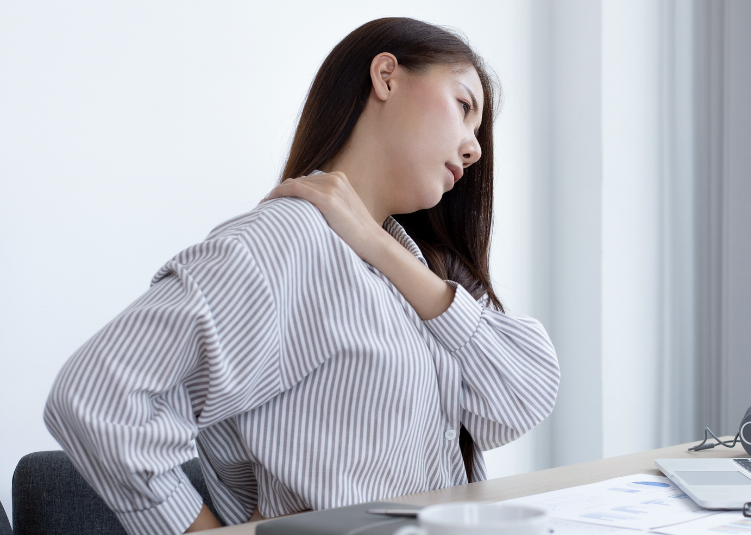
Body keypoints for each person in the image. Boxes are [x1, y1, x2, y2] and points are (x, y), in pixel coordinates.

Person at [43, 17, 559, 535]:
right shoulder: (287, 241)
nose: (475, 149)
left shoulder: (412, 264)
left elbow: (524, 393)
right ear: (386, 77)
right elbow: (94, 399)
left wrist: (380, 247)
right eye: (463, 106)